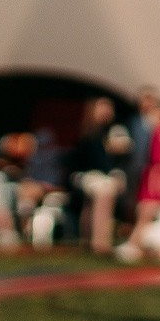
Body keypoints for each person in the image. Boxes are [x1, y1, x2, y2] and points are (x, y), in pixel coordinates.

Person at [117, 93, 160, 262]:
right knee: (159, 217)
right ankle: (156, 249)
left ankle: (135, 245)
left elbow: (159, 158)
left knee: (145, 217)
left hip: (156, 181)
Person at [67, 97, 129, 252]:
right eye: (103, 107)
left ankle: (93, 240)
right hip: (84, 175)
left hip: (102, 176)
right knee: (103, 193)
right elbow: (90, 162)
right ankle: (99, 243)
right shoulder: (88, 132)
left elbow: (117, 161)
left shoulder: (113, 131)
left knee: (101, 193)